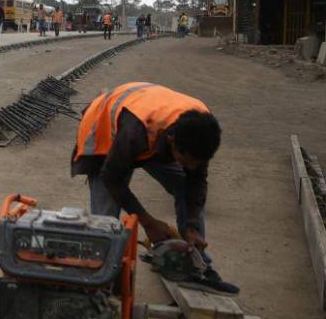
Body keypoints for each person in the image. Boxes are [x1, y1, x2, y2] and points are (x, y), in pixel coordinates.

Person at [72, 81, 236, 293]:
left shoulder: (201, 129)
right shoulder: (135, 131)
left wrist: (191, 226)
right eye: (186, 160)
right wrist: (148, 222)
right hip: (105, 134)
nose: (190, 167)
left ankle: (197, 263)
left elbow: (196, 181)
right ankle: (100, 276)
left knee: (186, 187)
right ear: (172, 141)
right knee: (105, 217)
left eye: (197, 161)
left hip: (150, 131)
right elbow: (112, 178)